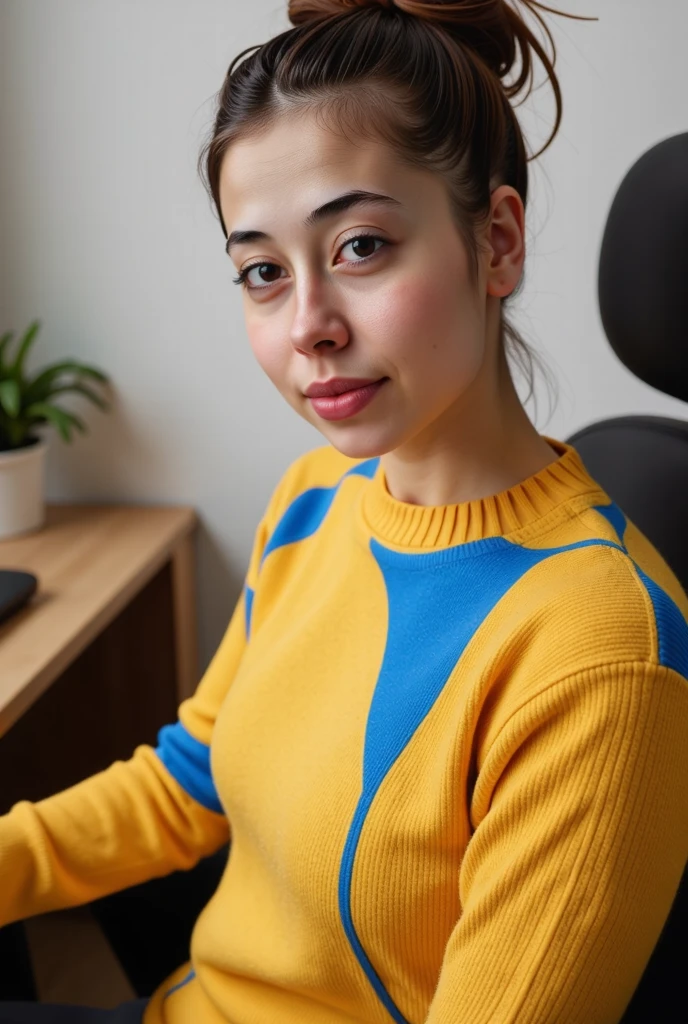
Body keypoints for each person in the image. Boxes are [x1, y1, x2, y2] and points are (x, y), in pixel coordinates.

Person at [1, 0, 687, 1021]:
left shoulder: (599, 652)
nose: (308, 327)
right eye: (263, 273)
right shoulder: (314, 500)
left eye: (360, 246)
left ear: (495, 243)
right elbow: (188, 784)